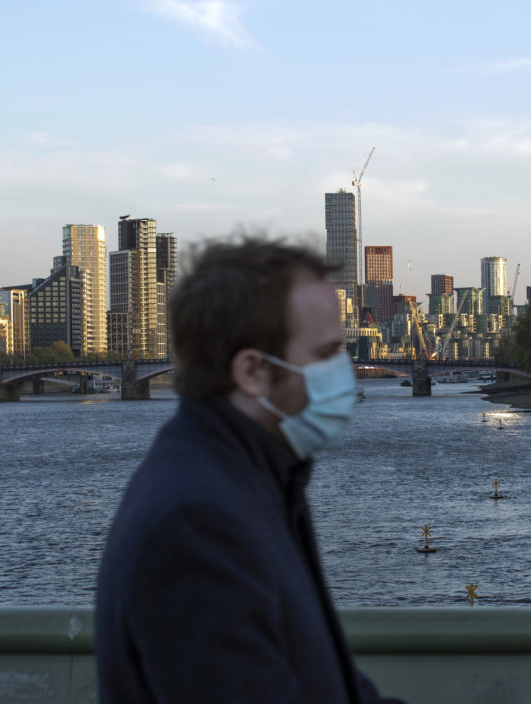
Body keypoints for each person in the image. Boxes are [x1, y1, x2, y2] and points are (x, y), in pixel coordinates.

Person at [95, 238, 404, 703]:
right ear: (253, 372)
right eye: (325, 354)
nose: (344, 370)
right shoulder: (196, 525)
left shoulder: (256, 480)